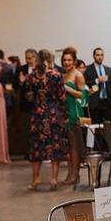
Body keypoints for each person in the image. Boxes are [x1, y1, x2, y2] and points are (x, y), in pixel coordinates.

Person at [25, 50, 69, 191]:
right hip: (53, 114)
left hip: (37, 115)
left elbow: (29, 98)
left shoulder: (31, 76)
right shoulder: (56, 75)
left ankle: (36, 178)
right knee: (54, 147)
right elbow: (62, 97)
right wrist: (65, 115)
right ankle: (54, 179)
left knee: (36, 147)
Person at [61, 49, 88, 185]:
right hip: (63, 111)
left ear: (74, 61)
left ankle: (75, 174)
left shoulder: (78, 75)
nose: (66, 62)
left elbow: (82, 96)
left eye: (69, 60)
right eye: (65, 60)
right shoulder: (63, 74)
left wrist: (68, 89)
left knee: (74, 145)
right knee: (66, 146)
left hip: (74, 112)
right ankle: (70, 172)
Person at [82, 47, 111, 123]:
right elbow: (85, 84)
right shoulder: (88, 69)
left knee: (108, 128)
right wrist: (97, 80)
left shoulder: (108, 69)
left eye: (102, 55)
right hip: (94, 103)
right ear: (94, 56)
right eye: (97, 55)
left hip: (107, 102)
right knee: (95, 127)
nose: (100, 57)